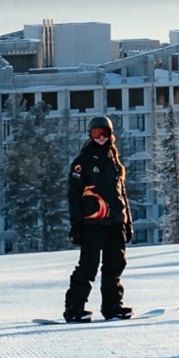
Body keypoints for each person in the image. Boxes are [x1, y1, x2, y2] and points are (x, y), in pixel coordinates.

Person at [64, 115, 134, 322]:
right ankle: (74, 308)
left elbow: (122, 194)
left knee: (115, 266)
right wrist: (76, 225)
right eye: (96, 133)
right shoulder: (82, 163)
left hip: (114, 223)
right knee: (88, 266)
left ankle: (112, 306)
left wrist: (127, 222)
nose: (101, 137)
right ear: (90, 135)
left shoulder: (114, 161)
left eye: (105, 133)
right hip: (92, 224)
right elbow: (74, 196)